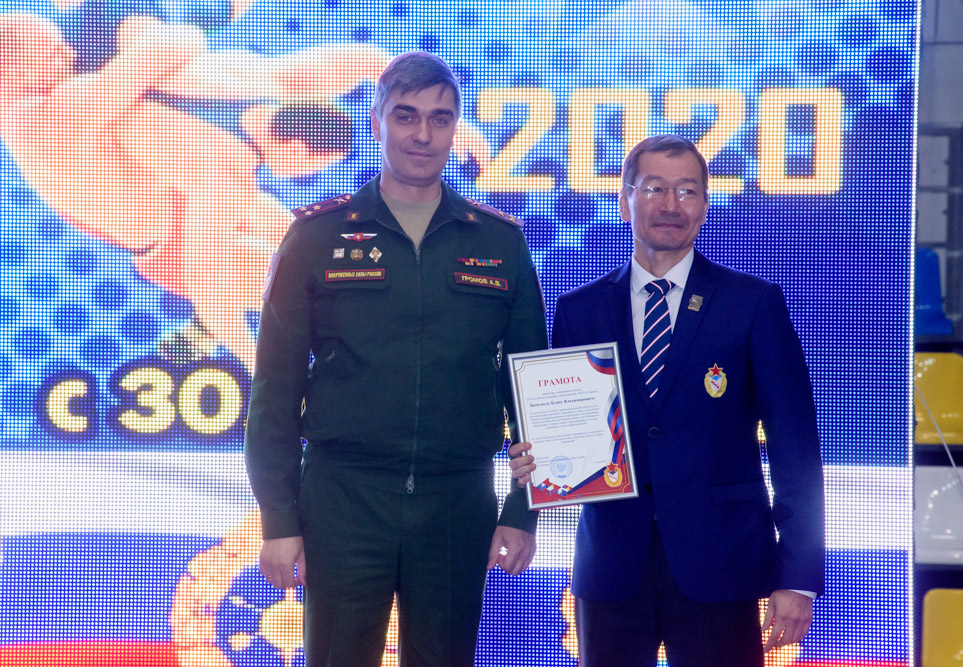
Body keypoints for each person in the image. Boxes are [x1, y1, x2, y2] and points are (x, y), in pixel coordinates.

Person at [244, 51, 548, 667]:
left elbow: (532, 391)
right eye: (405, 116)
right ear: (377, 120)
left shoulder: (499, 242)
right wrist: (277, 517)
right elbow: (274, 390)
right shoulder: (316, 237)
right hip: (343, 500)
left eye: (440, 118)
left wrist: (524, 511)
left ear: (455, 128)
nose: (422, 134)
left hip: (456, 502)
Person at [509, 134, 825, 666]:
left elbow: (795, 450)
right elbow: (562, 435)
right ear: (624, 200)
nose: (671, 205)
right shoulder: (579, 310)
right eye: (654, 188)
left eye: (687, 190)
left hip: (723, 567)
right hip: (611, 569)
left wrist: (798, 576)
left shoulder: (752, 304)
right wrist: (536, 460)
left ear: (705, 205)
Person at [0, 12, 394, 369]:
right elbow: (174, 42)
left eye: (64, 44)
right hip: (177, 241)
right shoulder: (50, 118)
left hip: (200, 195)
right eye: (54, 52)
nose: (69, 53)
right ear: (14, 72)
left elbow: (179, 44)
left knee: (339, 258)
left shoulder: (152, 90)